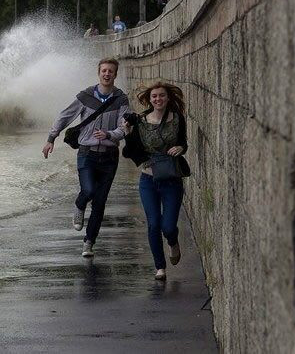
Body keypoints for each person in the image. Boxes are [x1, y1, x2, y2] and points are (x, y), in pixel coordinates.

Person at [42, 58, 131, 257]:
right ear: (99, 73)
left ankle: (89, 242)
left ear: (115, 75)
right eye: (104, 71)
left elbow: (124, 128)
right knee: (89, 190)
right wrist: (51, 139)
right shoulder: (85, 96)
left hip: (109, 157)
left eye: (111, 71)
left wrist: (109, 135)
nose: (107, 74)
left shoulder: (121, 99)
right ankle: (79, 205)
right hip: (86, 153)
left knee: (100, 202)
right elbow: (65, 116)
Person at [122, 81, 188, 281]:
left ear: (168, 98)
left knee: (167, 226)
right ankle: (160, 267)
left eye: (161, 95)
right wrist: (127, 133)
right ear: (149, 100)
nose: (158, 99)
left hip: (171, 179)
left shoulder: (177, 119)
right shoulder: (141, 121)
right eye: (154, 96)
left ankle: (173, 241)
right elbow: (132, 150)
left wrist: (181, 148)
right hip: (148, 180)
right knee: (153, 224)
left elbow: (183, 142)